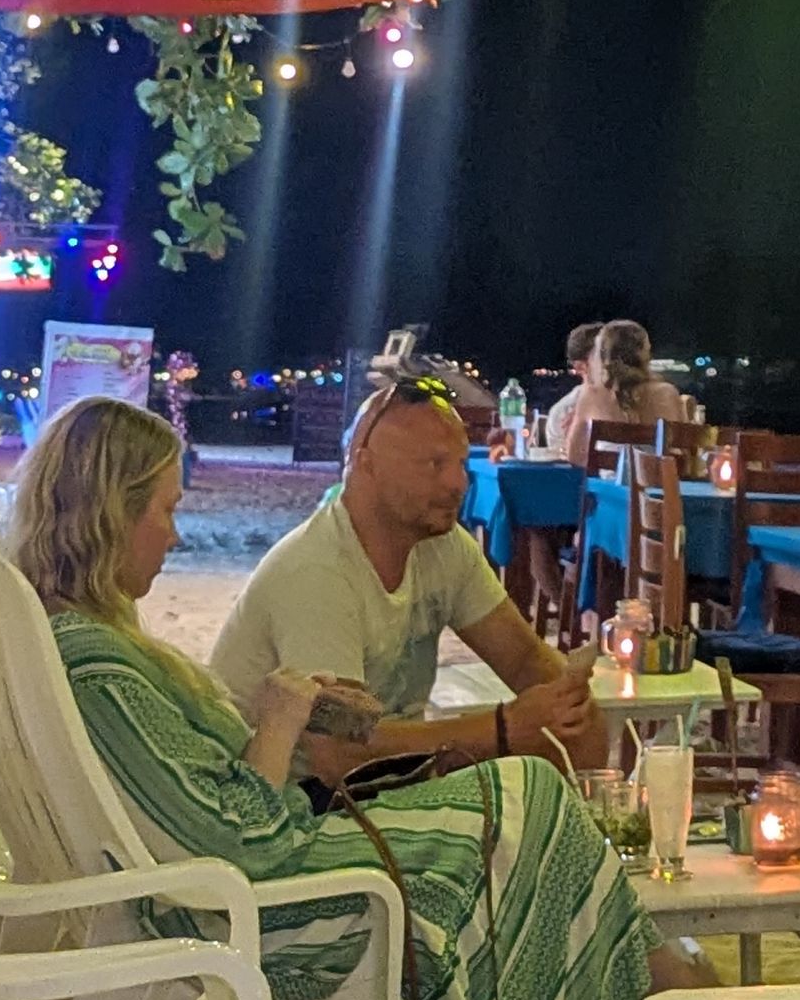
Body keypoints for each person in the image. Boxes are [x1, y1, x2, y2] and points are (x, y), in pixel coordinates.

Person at [10, 395, 757, 1000]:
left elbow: (519, 666)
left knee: (532, 814)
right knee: (527, 817)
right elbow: (245, 839)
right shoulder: (108, 668)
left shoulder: (99, 646)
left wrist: (557, 713)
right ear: (109, 515)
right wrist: (285, 718)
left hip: (273, 855)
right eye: (164, 510)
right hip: (265, 898)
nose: (176, 535)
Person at [213, 367, 607, 770]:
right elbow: (338, 754)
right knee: (516, 780)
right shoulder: (317, 570)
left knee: (560, 741)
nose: (457, 483)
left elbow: (523, 659)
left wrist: (570, 706)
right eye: (434, 464)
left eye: (460, 463)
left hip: (382, 780)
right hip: (286, 794)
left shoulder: (443, 546)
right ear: (366, 465)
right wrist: (503, 728)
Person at [556, 319, 688, 465]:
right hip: (659, 478)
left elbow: (574, 456)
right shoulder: (667, 393)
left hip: (607, 480)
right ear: (644, 352)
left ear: (603, 353)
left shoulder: (591, 396)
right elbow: (685, 450)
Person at [543, 322, 601, 458]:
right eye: (603, 357)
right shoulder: (562, 412)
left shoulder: (636, 399)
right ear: (580, 367)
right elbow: (564, 463)